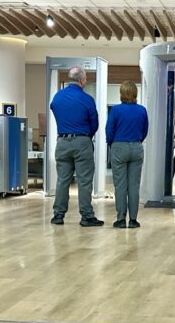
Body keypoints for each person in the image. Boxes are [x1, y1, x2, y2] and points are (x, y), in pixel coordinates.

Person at [49, 66, 104, 227]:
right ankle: (86, 216)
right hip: (82, 141)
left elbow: (54, 109)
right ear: (81, 80)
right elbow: (95, 124)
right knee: (84, 181)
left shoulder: (57, 97)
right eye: (85, 79)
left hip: (62, 142)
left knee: (62, 180)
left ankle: (58, 215)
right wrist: (85, 136)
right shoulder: (87, 99)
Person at [106, 81, 149, 229]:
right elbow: (145, 131)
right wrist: (136, 141)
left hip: (119, 146)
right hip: (136, 147)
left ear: (122, 93)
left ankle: (120, 219)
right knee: (134, 186)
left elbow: (109, 131)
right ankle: (133, 220)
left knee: (120, 186)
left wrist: (112, 143)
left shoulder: (116, 110)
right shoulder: (142, 110)